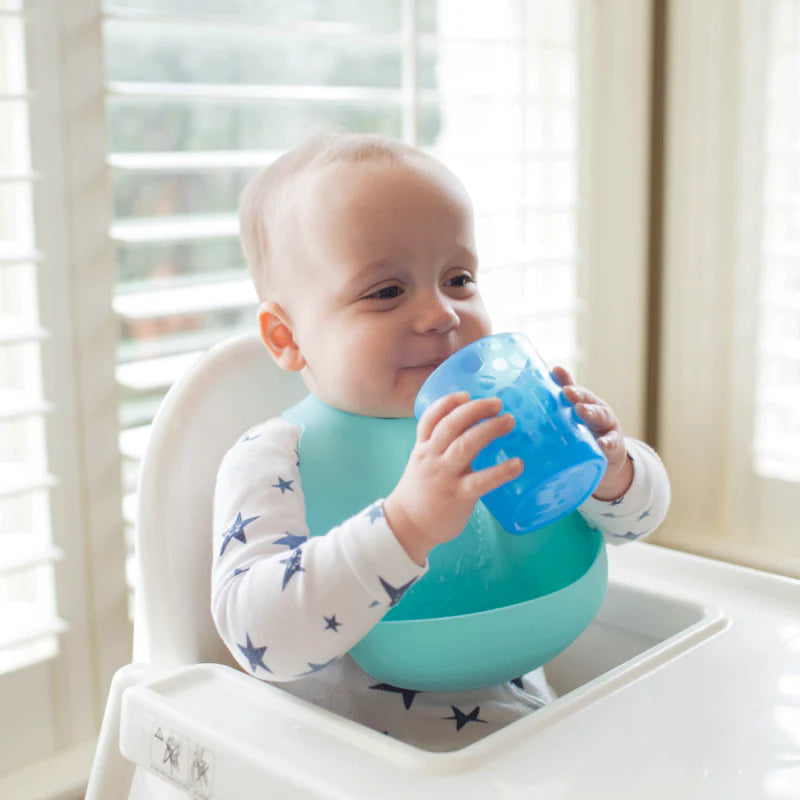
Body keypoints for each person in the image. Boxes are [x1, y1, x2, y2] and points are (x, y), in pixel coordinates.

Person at [211, 132, 670, 750]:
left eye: (457, 279)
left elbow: (635, 522)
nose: (442, 313)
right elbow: (256, 634)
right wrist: (405, 526)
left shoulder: (501, 415)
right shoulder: (275, 458)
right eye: (387, 291)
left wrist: (612, 467)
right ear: (285, 337)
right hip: (363, 764)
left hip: (526, 734)